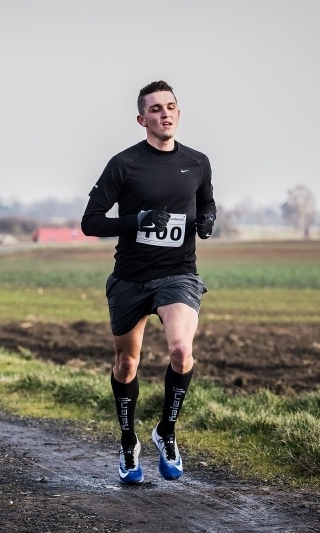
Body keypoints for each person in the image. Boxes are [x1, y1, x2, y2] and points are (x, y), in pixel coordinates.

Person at [81, 80, 216, 484]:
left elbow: (206, 200)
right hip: (130, 279)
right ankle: (128, 442)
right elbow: (91, 222)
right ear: (142, 119)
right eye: (156, 109)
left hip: (178, 274)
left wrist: (207, 220)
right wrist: (134, 221)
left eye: (171, 106)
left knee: (180, 349)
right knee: (127, 363)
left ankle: (166, 432)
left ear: (179, 112)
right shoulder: (124, 164)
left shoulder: (197, 162)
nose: (165, 113)